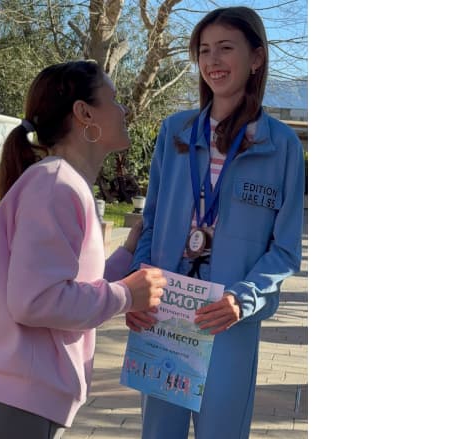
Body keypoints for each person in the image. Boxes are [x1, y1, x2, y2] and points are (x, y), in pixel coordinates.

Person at [125, 7, 305, 439]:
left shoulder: (281, 146)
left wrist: (242, 300)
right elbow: (149, 222)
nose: (213, 61)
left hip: (227, 319)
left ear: (256, 58)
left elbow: (283, 249)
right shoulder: (176, 132)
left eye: (226, 48)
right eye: (204, 50)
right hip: (164, 313)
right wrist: (140, 287)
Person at [0, 60, 167, 439]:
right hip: (19, 401)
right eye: (113, 99)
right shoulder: (54, 185)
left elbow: (73, 284)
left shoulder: (63, 183)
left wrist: (126, 256)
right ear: (84, 113)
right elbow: (36, 301)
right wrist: (126, 295)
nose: (124, 110)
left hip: (25, 397)